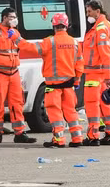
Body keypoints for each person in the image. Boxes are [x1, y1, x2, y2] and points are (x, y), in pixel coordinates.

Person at [20, 13, 85, 148]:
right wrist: (77, 81)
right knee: (71, 112)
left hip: (53, 86)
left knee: (55, 113)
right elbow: (79, 64)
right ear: (66, 26)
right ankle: (77, 138)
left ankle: (59, 140)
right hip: (69, 85)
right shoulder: (74, 42)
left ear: (54, 26)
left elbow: (30, 48)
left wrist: (16, 39)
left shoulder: (50, 42)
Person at [0, 7, 37, 144]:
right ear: (4, 18)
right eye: (11, 17)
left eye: (14, 17)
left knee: (17, 103)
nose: (14, 19)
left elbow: (23, 47)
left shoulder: (15, 33)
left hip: (14, 73)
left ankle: (19, 133)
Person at [82, 0, 110, 145]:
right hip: (100, 74)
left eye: (89, 11)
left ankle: (93, 136)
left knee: (92, 104)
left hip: (95, 74)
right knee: (104, 104)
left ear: (98, 11)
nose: (87, 14)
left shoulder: (100, 28)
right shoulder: (100, 26)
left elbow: (106, 54)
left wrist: (108, 76)